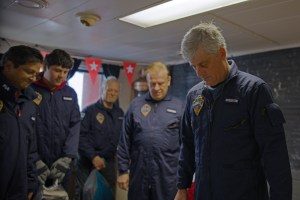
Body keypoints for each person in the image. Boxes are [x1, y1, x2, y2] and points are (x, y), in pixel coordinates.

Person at [174, 22, 292, 200]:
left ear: (222, 53)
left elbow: (275, 156)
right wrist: (182, 186)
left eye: (203, 64)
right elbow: (188, 145)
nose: (198, 73)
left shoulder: (253, 91)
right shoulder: (194, 96)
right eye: (193, 66)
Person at [117, 62, 184, 200]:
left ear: (169, 81)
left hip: (167, 178)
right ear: (147, 81)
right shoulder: (135, 106)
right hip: (139, 175)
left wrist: (185, 179)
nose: (156, 88)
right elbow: (124, 140)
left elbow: (187, 146)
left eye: (161, 83)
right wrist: (122, 170)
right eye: (152, 83)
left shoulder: (179, 108)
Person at [31, 49, 81, 195]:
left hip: (61, 166)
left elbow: (75, 126)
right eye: (57, 70)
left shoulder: (70, 94)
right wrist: (34, 160)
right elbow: (26, 129)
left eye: (65, 72)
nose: (62, 76)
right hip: (35, 165)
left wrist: (67, 158)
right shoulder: (30, 90)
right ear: (45, 67)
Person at [0, 45, 43, 200]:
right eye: (29, 72)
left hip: (19, 188)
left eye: (36, 74)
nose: (33, 78)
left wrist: (31, 182)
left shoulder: (29, 102)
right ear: (9, 66)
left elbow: (30, 147)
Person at [78, 76, 124, 196]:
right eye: (109, 90)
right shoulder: (89, 111)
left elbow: (122, 139)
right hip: (87, 163)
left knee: (108, 195)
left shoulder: (120, 114)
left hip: (108, 163)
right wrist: (93, 157)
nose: (113, 93)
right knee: (86, 195)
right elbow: (80, 137)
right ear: (102, 90)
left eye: (116, 91)